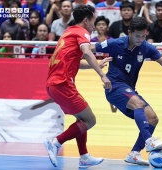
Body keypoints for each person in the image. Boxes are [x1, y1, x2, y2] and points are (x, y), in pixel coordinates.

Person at [93, 17, 162, 166]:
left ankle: (134, 153)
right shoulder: (116, 43)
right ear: (129, 32)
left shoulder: (147, 47)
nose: (140, 39)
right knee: (138, 103)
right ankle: (149, 141)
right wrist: (95, 64)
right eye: (137, 36)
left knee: (153, 118)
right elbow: (89, 49)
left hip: (129, 89)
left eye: (143, 36)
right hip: (113, 86)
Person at [44, 4, 112, 169]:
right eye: (94, 19)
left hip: (54, 83)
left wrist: (98, 64)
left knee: (82, 119)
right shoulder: (83, 32)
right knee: (90, 120)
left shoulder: (69, 31)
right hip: (62, 83)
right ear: (87, 19)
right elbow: (88, 53)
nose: (95, 23)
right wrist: (102, 75)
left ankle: (84, 157)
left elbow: (76, 61)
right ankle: (55, 142)